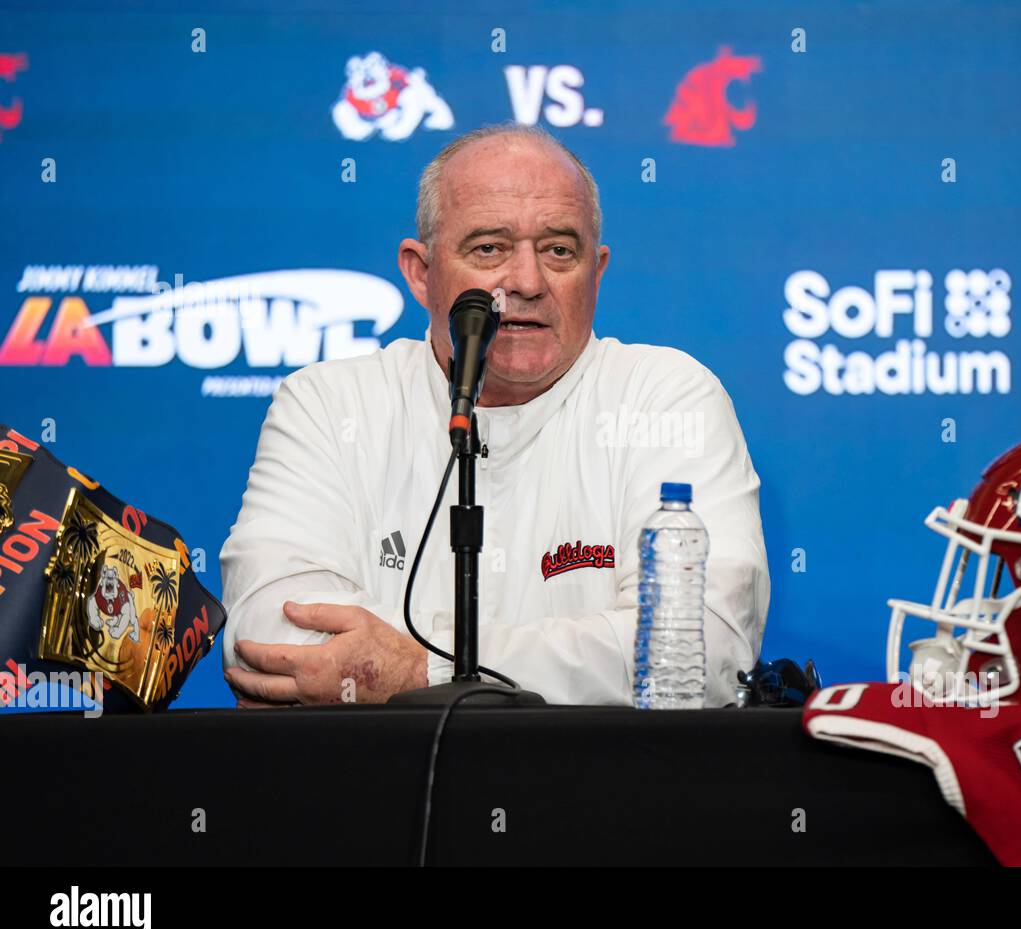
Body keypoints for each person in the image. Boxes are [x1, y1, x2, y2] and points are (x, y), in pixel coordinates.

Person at [219, 123, 770, 707]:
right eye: (489, 249)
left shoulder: (667, 399)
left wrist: (415, 669)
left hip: (603, 789)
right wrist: (571, 657)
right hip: (380, 788)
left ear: (597, 271)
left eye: (560, 250)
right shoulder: (331, 405)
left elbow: (700, 652)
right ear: (421, 272)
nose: (527, 282)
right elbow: (267, 634)